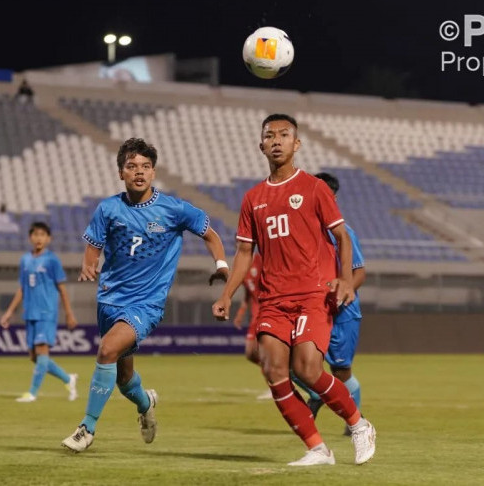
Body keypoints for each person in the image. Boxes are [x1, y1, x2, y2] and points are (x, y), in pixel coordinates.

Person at [212, 114, 376, 466]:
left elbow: (342, 236)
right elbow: (244, 253)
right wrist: (227, 293)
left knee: (308, 369)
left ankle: (359, 425)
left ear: (296, 144)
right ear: (261, 146)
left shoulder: (315, 188)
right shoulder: (252, 198)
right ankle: (317, 448)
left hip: (312, 295)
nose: (276, 140)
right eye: (269, 135)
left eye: (284, 135)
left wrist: (346, 278)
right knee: (274, 372)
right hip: (272, 299)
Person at [61, 137, 229, 453]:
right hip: (109, 301)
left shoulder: (174, 209)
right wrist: (88, 265)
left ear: (153, 172)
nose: (139, 172)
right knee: (124, 379)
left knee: (107, 350)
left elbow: (210, 233)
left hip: (146, 303)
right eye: (132, 166)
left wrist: (221, 264)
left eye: (146, 167)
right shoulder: (108, 209)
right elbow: (93, 246)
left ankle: (87, 428)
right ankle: (146, 402)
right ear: (121, 173)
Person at [302, 173, 366, 436]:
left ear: (332, 198)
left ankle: (357, 422)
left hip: (342, 314)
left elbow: (359, 271)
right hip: (313, 309)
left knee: (340, 371)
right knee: (294, 362)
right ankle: (317, 394)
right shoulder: (303, 229)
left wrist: (344, 289)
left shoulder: (342, 232)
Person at [0, 221, 78, 403]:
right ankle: (68, 379)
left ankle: (32, 393)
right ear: (30, 237)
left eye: (42, 235)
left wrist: (69, 313)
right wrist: (9, 312)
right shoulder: (25, 260)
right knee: (35, 357)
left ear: (48, 239)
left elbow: (62, 288)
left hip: (47, 312)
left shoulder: (52, 260)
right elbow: (22, 288)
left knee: (42, 352)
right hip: (30, 312)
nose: (38, 238)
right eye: (35, 235)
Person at [232, 252, 272, 399]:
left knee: (258, 352)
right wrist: (241, 313)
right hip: (255, 316)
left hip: (266, 312)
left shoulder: (261, 260)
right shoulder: (242, 265)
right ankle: (278, 377)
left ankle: (277, 382)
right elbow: (247, 294)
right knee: (251, 354)